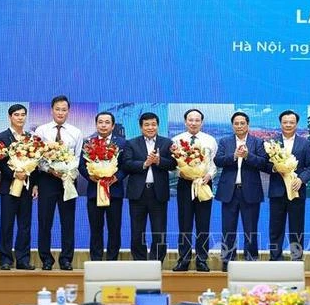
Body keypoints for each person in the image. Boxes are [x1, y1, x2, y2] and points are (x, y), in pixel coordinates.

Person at [34, 95, 83, 271]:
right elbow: (36, 156)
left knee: (68, 221)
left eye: (64, 109)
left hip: (68, 180)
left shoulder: (76, 132)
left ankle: (66, 259)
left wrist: (67, 171)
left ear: (68, 111)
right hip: (47, 180)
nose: (60, 112)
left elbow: (78, 158)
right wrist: (50, 170)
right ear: (52, 110)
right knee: (45, 221)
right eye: (57, 109)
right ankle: (46, 259)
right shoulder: (41, 130)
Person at [214, 112, 267, 272]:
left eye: (242, 123)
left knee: (250, 228)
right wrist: (234, 156)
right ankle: (227, 261)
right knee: (228, 229)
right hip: (229, 192)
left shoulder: (257, 142)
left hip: (250, 192)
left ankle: (251, 260)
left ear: (248, 125)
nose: (239, 126)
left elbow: (264, 163)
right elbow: (218, 161)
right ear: (232, 126)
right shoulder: (225, 141)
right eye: (236, 123)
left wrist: (248, 156)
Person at [123, 112, 176, 262]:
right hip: (137, 193)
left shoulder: (166, 143)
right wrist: (145, 164)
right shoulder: (131, 143)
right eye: (146, 125)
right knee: (137, 230)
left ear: (158, 126)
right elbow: (126, 164)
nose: (150, 127)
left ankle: (156, 261)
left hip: (158, 193)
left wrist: (159, 161)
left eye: (153, 124)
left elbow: (173, 164)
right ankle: (140, 262)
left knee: (159, 230)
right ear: (141, 127)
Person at [172, 109, 218, 272]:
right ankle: (183, 260)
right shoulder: (176, 140)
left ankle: (202, 260)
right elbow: (174, 165)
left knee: (203, 224)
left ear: (202, 122)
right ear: (185, 122)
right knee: (184, 224)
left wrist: (209, 176)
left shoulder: (210, 140)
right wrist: (183, 172)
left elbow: (214, 164)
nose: (193, 123)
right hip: (185, 184)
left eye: (197, 120)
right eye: (190, 120)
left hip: (204, 184)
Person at [0, 104, 38, 270]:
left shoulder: (31, 138)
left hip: (26, 187)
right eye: (16, 115)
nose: (20, 118)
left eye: (22, 115)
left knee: (25, 225)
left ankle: (23, 260)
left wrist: (34, 184)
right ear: (10, 117)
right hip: (9, 187)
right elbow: (0, 162)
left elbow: (36, 163)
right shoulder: (2, 137)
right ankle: (5, 260)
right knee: (7, 224)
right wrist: (14, 174)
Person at [268, 110, 310, 262]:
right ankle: (275, 259)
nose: (288, 125)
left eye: (291, 122)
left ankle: (296, 259)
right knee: (275, 229)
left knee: (296, 229)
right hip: (277, 192)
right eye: (285, 122)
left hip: (297, 191)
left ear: (296, 124)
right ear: (280, 123)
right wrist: (275, 168)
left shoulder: (305, 143)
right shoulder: (272, 143)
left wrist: (301, 180)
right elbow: (264, 164)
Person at [78, 112, 126, 261]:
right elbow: (81, 165)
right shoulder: (88, 143)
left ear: (112, 125)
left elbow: (126, 166)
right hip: (94, 191)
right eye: (100, 122)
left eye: (107, 122)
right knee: (96, 229)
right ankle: (96, 260)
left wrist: (115, 177)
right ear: (96, 124)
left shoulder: (122, 143)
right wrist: (91, 176)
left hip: (114, 193)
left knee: (114, 228)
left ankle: (112, 260)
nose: (103, 125)